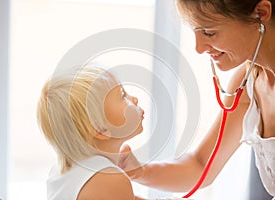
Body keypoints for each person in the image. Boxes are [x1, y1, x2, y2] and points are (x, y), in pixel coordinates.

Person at [118, 0, 275, 198]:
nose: (198, 48)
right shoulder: (250, 79)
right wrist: (138, 171)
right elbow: (201, 166)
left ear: (260, 13)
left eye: (209, 33)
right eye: (194, 31)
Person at [36, 65, 145, 200]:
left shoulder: (62, 168)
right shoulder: (110, 180)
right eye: (122, 95)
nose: (134, 99)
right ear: (100, 129)